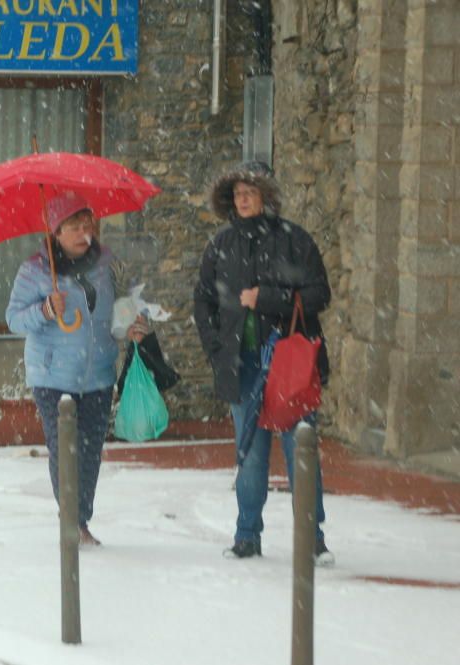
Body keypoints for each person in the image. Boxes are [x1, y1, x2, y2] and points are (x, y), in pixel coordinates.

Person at [193, 161, 334, 565]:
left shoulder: (295, 240)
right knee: (251, 456)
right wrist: (216, 349)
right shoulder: (221, 244)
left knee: (299, 452)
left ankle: (313, 538)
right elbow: (203, 300)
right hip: (243, 364)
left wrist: (268, 298)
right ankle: (246, 535)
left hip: (290, 365)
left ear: (266, 197)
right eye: (238, 192)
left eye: (250, 192)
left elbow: (319, 294)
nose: (243, 198)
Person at [6, 190, 147, 546]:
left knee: (89, 452)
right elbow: (13, 319)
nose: (85, 233)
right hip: (53, 376)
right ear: (56, 232)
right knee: (64, 448)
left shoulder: (106, 264)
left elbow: (115, 312)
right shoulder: (35, 271)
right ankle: (71, 520)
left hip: (98, 374)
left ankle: (80, 517)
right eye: (75, 226)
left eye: (88, 225)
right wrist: (45, 311)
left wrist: (129, 325)